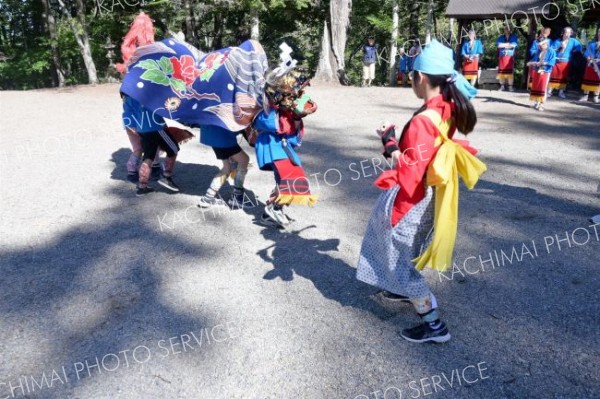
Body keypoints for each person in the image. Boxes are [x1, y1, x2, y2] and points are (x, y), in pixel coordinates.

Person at [356, 40, 487, 344]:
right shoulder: (446, 107)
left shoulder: (423, 122)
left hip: (414, 196)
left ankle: (434, 325)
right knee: (407, 247)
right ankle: (399, 287)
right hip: (430, 193)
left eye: (412, 77)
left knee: (398, 255)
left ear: (422, 78)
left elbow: (410, 172)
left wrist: (389, 143)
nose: (410, 82)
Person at [254, 68, 318, 228]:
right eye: (296, 91)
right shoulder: (268, 110)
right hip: (272, 146)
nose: (301, 93)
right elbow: (273, 126)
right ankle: (273, 208)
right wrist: (293, 114)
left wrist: (297, 115)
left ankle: (270, 212)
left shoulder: (285, 110)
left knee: (283, 180)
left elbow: (292, 133)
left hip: (282, 147)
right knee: (293, 178)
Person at [122, 95, 181, 195]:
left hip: (142, 128)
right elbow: (165, 105)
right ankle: (166, 177)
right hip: (155, 126)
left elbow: (127, 110)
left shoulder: (131, 93)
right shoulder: (152, 88)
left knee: (148, 156)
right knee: (174, 149)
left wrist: (132, 125)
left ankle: (142, 186)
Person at [197, 125, 252, 209]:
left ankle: (208, 198)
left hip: (212, 135)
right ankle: (237, 196)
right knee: (244, 160)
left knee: (227, 168)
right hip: (223, 136)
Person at [549, 27, 583, 98]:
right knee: (553, 75)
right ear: (562, 33)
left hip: (565, 61)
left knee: (563, 77)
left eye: (569, 33)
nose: (567, 34)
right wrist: (559, 48)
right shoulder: (558, 41)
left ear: (571, 34)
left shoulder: (573, 41)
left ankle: (561, 92)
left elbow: (579, 47)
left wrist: (574, 51)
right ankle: (549, 91)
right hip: (556, 61)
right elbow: (551, 49)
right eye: (566, 32)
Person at [527, 38, 557, 111]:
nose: (540, 47)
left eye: (542, 45)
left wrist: (544, 63)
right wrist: (532, 63)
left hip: (545, 71)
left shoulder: (551, 51)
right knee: (537, 87)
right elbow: (535, 60)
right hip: (537, 71)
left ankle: (542, 104)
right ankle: (537, 102)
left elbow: (552, 61)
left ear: (546, 44)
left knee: (543, 88)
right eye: (539, 45)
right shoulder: (538, 51)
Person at [579, 27, 600, 103]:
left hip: (598, 66)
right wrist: (589, 59)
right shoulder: (592, 44)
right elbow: (587, 53)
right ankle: (585, 96)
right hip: (590, 65)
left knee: (598, 81)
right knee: (587, 80)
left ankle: (595, 97)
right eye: (598, 32)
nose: (599, 34)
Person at [496, 26, 519, 91]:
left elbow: (514, 45)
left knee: (510, 72)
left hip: (510, 56)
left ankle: (510, 86)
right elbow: (499, 45)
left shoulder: (514, 37)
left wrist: (504, 45)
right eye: (506, 29)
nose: (507, 30)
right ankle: (502, 86)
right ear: (504, 30)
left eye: (508, 29)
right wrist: (508, 44)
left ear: (511, 30)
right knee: (501, 72)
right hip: (502, 56)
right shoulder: (501, 37)